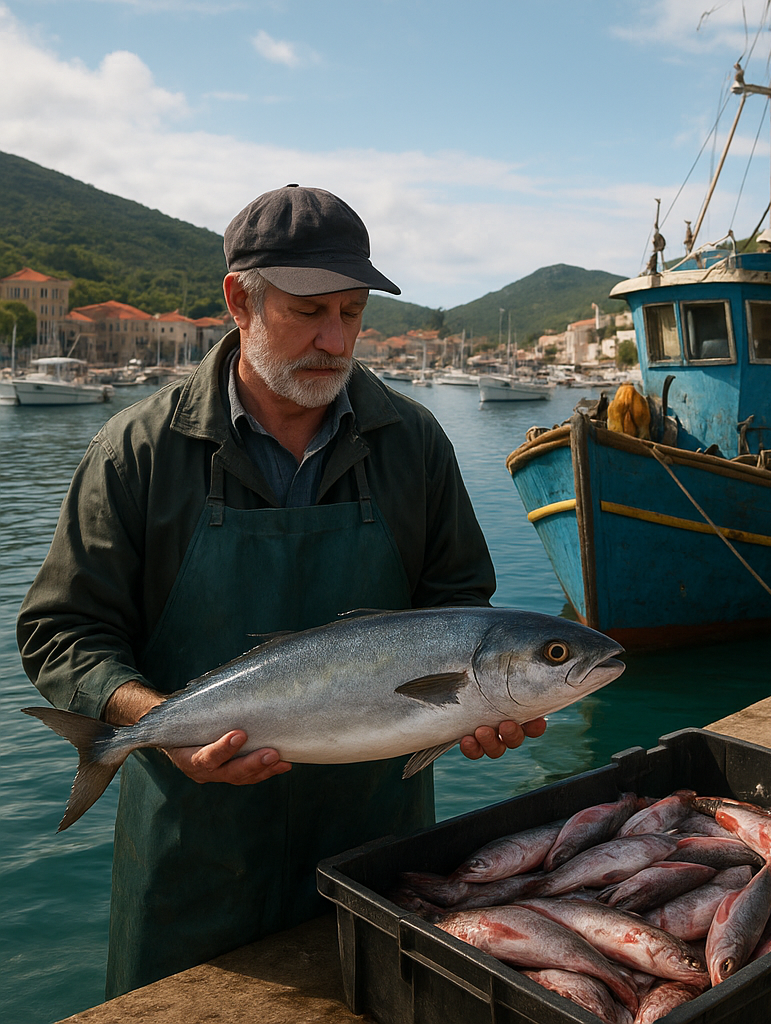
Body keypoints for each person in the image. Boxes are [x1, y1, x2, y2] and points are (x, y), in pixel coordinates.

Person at [17, 184, 545, 997]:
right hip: (193, 852)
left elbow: (464, 607)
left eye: (352, 312)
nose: (335, 340)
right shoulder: (138, 452)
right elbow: (63, 630)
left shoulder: (416, 444)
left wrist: (483, 709)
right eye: (308, 312)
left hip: (380, 850)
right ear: (239, 299)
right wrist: (148, 720)